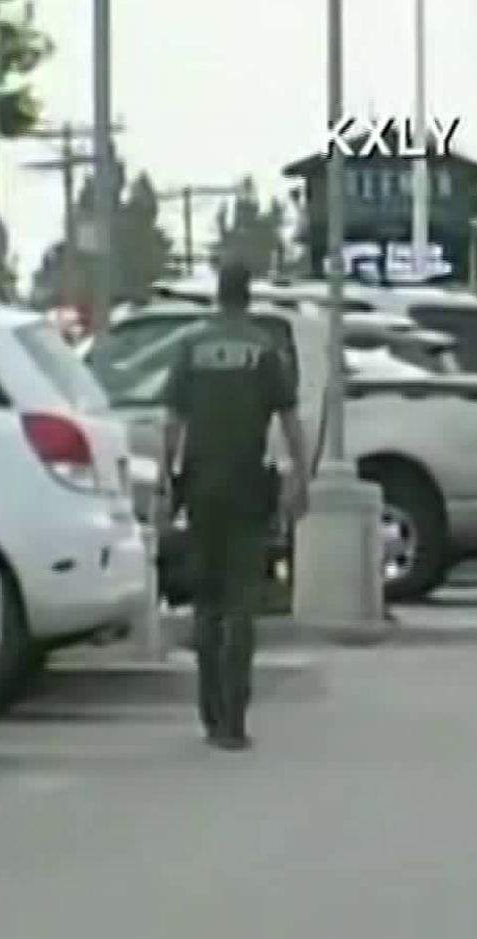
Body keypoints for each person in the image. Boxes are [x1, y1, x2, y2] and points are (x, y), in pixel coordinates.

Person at [160, 263, 311, 751]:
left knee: (207, 601)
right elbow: (290, 421)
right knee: (242, 601)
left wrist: (164, 483)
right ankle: (234, 718)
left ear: (217, 296)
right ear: (248, 297)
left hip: (201, 486)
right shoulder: (264, 350)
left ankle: (209, 712)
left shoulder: (191, 347)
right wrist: (300, 478)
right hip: (248, 485)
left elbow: (172, 422)